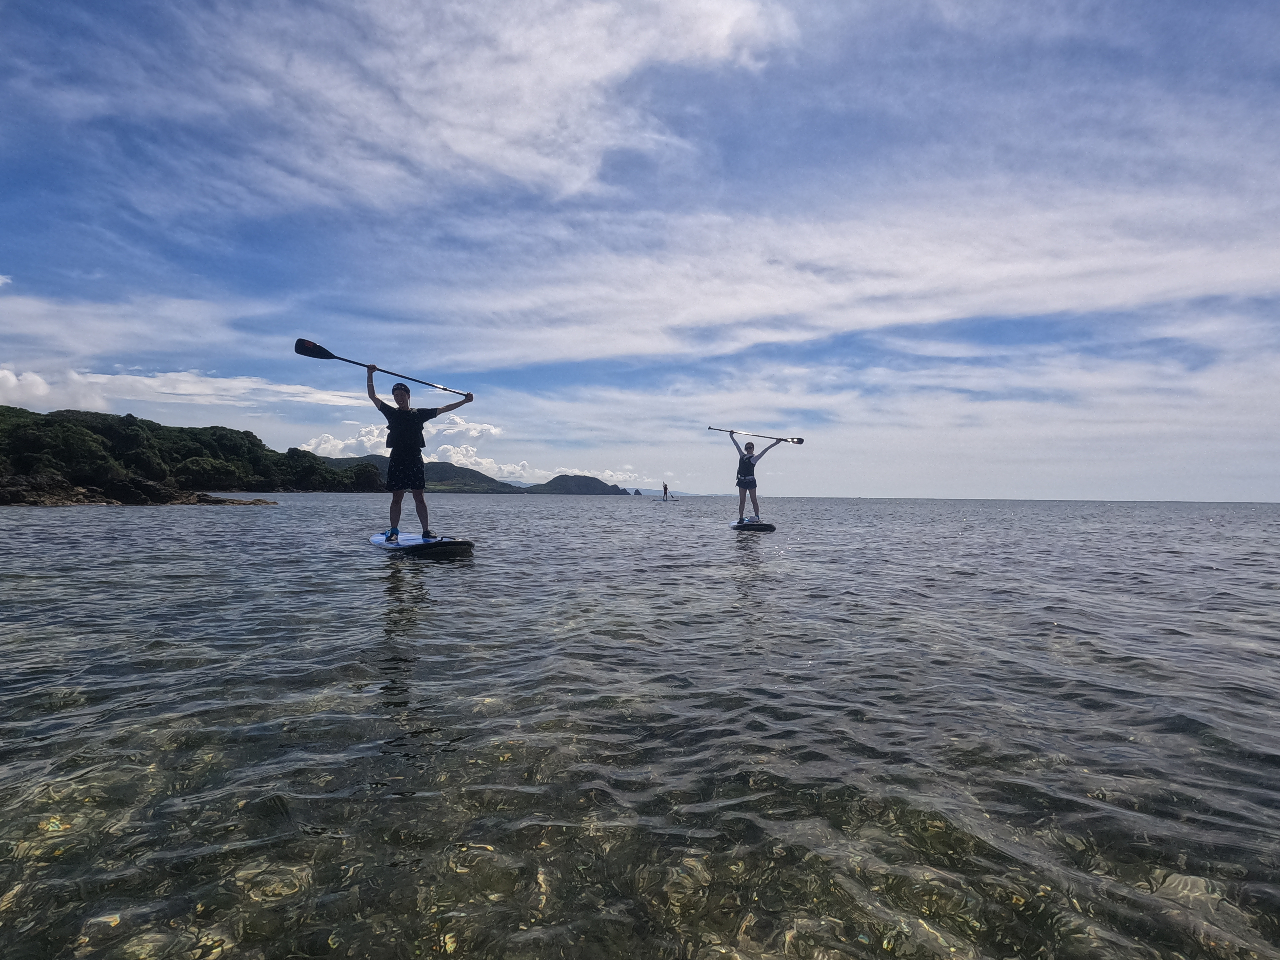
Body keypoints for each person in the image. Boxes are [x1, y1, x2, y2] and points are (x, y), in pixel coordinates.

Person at [367, 365, 473, 541]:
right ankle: (394, 531)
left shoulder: (419, 414)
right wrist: (370, 374)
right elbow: (372, 396)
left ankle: (426, 530)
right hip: (397, 458)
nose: (399, 398)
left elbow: (444, 409)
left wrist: (464, 401)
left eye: (402, 395)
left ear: (408, 396)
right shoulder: (391, 413)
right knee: (397, 497)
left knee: (419, 497)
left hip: (415, 458)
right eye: (396, 396)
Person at [729, 431, 782, 523]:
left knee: (754, 500)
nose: (748, 449)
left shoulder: (754, 458)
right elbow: (736, 445)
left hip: (751, 481)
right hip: (742, 481)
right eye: (747, 448)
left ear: (753, 449)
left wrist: (776, 443)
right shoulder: (742, 455)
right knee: (742, 501)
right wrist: (731, 436)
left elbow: (766, 450)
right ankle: (741, 518)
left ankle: (757, 517)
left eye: (750, 447)